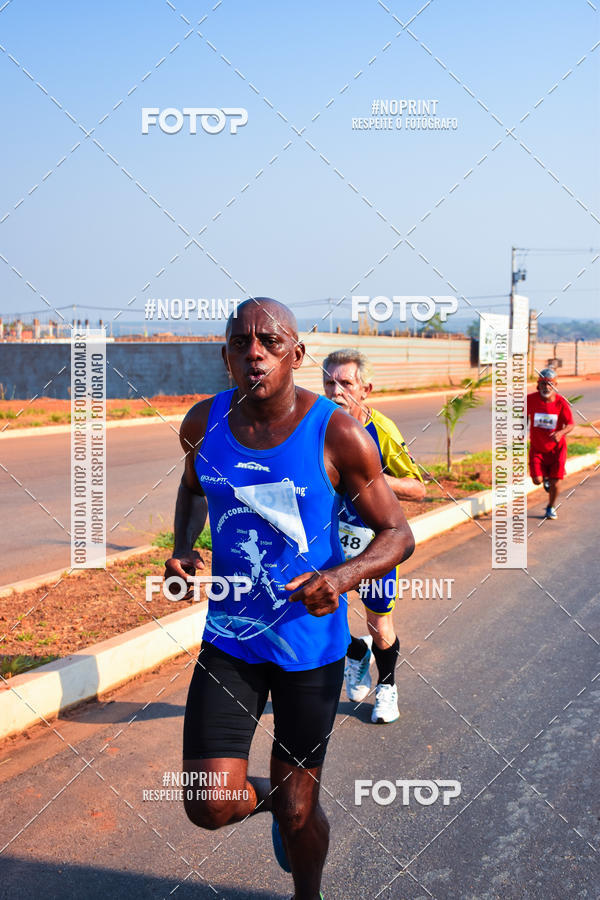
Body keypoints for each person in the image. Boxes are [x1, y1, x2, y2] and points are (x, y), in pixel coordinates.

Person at [166, 299, 415, 900]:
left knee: (303, 815)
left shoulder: (337, 431)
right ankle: (282, 799)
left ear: (295, 356)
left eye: (271, 342)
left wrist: (341, 578)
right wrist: (180, 546)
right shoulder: (203, 423)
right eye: (242, 342)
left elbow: (398, 534)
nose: (255, 352)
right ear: (226, 355)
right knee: (208, 804)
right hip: (230, 642)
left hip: (310, 648)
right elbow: (192, 485)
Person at [322, 349, 426, 724]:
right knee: (320, 613)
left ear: (365, 389)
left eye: (345, 384)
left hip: (373, 544)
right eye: (328, 382)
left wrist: (371, 480)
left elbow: (418, 488)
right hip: (328, 541)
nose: (335, 391)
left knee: (379, 625)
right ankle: (354, 654)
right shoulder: (316, 424)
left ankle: (387, 688)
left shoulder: (382, 431)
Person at [527, 367, 574, 519]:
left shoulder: (561, 403)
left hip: (557, 450)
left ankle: (550, 507)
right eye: (543, 383)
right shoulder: (530, 399)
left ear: (555, 385)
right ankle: (544, 478)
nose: (547, 387)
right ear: (538, 385)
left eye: (550, 384)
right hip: (537, 448)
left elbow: (571, 424)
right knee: (536, 480)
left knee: (556, 483)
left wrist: (560, 433)